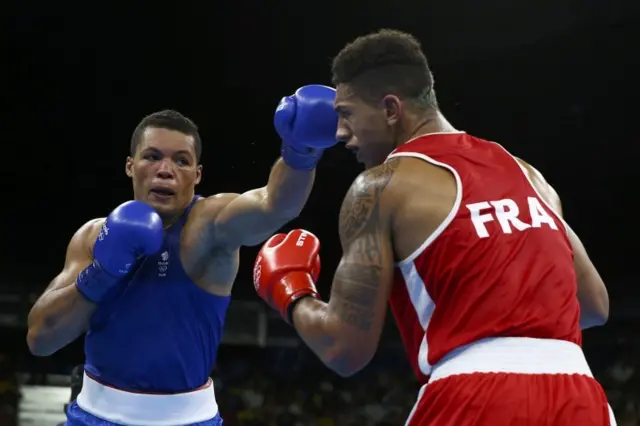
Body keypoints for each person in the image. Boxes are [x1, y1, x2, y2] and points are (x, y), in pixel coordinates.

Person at [253, 30, 615, 425]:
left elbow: (344, 349)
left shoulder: (380, 186)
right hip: (581, 396)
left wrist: (291, 291)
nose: (340, 134)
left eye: (347, 114)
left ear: (391, 109)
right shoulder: (529, 175)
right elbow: (594, 305)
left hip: (475, 397)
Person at [26, 84, 338, 426]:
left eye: (181, 160)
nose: (165, 169)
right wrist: (103, 271)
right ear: (131, 166)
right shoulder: (93, 236)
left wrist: (301, 151)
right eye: (152, 156)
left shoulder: (207, 227)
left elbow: (274, 204)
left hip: (189, 419)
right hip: (94, 416)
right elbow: (41, 338)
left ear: (197, 175)